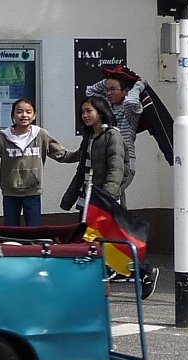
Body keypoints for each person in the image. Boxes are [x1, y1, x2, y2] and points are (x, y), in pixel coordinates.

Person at [60, 96, 158, 298]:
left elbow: (116, 168)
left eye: (89, 111)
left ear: (101, 112)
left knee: (110, 244)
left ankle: (145, 272)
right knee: (90, 243)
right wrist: (69, 198)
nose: (85, 115)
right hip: (87, 200)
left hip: (102, 201)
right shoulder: (89, 137)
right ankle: (94, 284)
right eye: (83, 112)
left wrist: (107, 198)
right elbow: (81, 170)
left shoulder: (112, 136)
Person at [0, 99, 70, 227]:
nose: (24, 115)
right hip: (10, 193)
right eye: (19, 112)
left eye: (28, 112)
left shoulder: (41, 135)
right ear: (13, 115)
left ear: (34, 116)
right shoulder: (3, 138)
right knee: (11, 230)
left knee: (34, 231)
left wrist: (83, 153)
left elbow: (62, 154)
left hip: (33, 192)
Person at [86, 66, 145, 205]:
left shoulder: (130, 111)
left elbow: (130, 101)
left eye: (113, 90)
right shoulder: (107, 107)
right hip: (108, 161)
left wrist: (138, 85)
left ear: (125, 91)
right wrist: (109, 79)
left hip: (125, 163)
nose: (108, 93)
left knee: (110, 198)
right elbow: (90, 91)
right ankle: (122, 227)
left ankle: (121, 226)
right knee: (116, 203)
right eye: (107, 90)